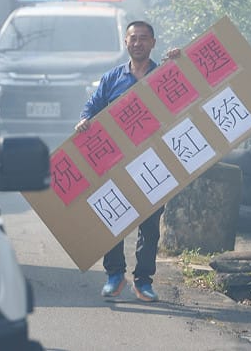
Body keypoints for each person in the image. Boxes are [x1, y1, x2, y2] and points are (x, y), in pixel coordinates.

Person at [75, 20, 180, 302]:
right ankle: (114, 274)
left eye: (144, 38)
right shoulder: (112, 78)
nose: (138, 43)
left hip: (154, 164)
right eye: (133, 38)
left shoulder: (164, 74)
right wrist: (85, 120)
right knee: (113, 219)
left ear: (153, 43)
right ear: (126, 42)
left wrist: (181, 63)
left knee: (149, 226)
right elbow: (92, 106)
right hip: (117, 163)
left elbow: (188, 95)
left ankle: (143, 281)